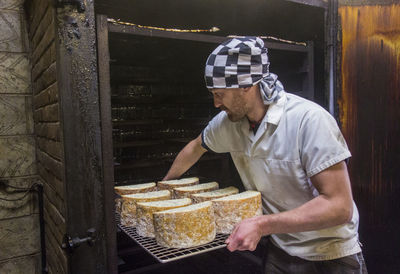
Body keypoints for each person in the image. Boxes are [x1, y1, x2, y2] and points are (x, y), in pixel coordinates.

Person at [162, 37, 367, 273]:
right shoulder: (229, 124)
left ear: (246, 85)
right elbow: (196, 146)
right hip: (281, 250)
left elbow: (339, 207)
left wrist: (260, 225)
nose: (216, 103)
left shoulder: (308, 121)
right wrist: (165, 185)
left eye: (220, 94)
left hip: (330, 255)